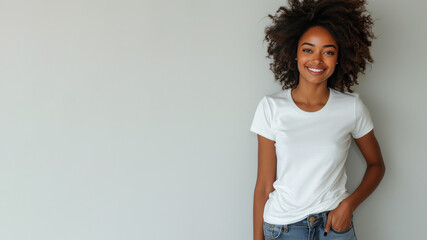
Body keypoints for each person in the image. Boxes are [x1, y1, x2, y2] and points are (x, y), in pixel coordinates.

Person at [249, 0, 386, 239]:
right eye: (308, 49)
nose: (317, 60)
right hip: (284, 229)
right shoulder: (271, 107)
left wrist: (349, 205)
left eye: (328, 52)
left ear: (338, 57)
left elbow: (377, 166)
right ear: (294, 53)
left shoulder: (351, 107)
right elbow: (263, 185)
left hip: (334, 226)